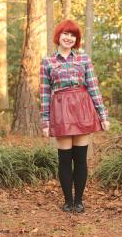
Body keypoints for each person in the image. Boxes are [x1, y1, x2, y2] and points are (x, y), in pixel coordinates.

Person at [40, 19, 110, 213]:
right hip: (61, 110)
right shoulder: (48, 61)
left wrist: (102, 115)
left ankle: (79, 201)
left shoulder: (83, 59)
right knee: (64, 158)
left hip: (82, 108)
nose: (68, 37)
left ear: (76, 39)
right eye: (65, 33)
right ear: (58, 36)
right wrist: (45, 121)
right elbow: (45, 93)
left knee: (80, 158)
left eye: (73, 35)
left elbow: (93, 87)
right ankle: (67, 201)